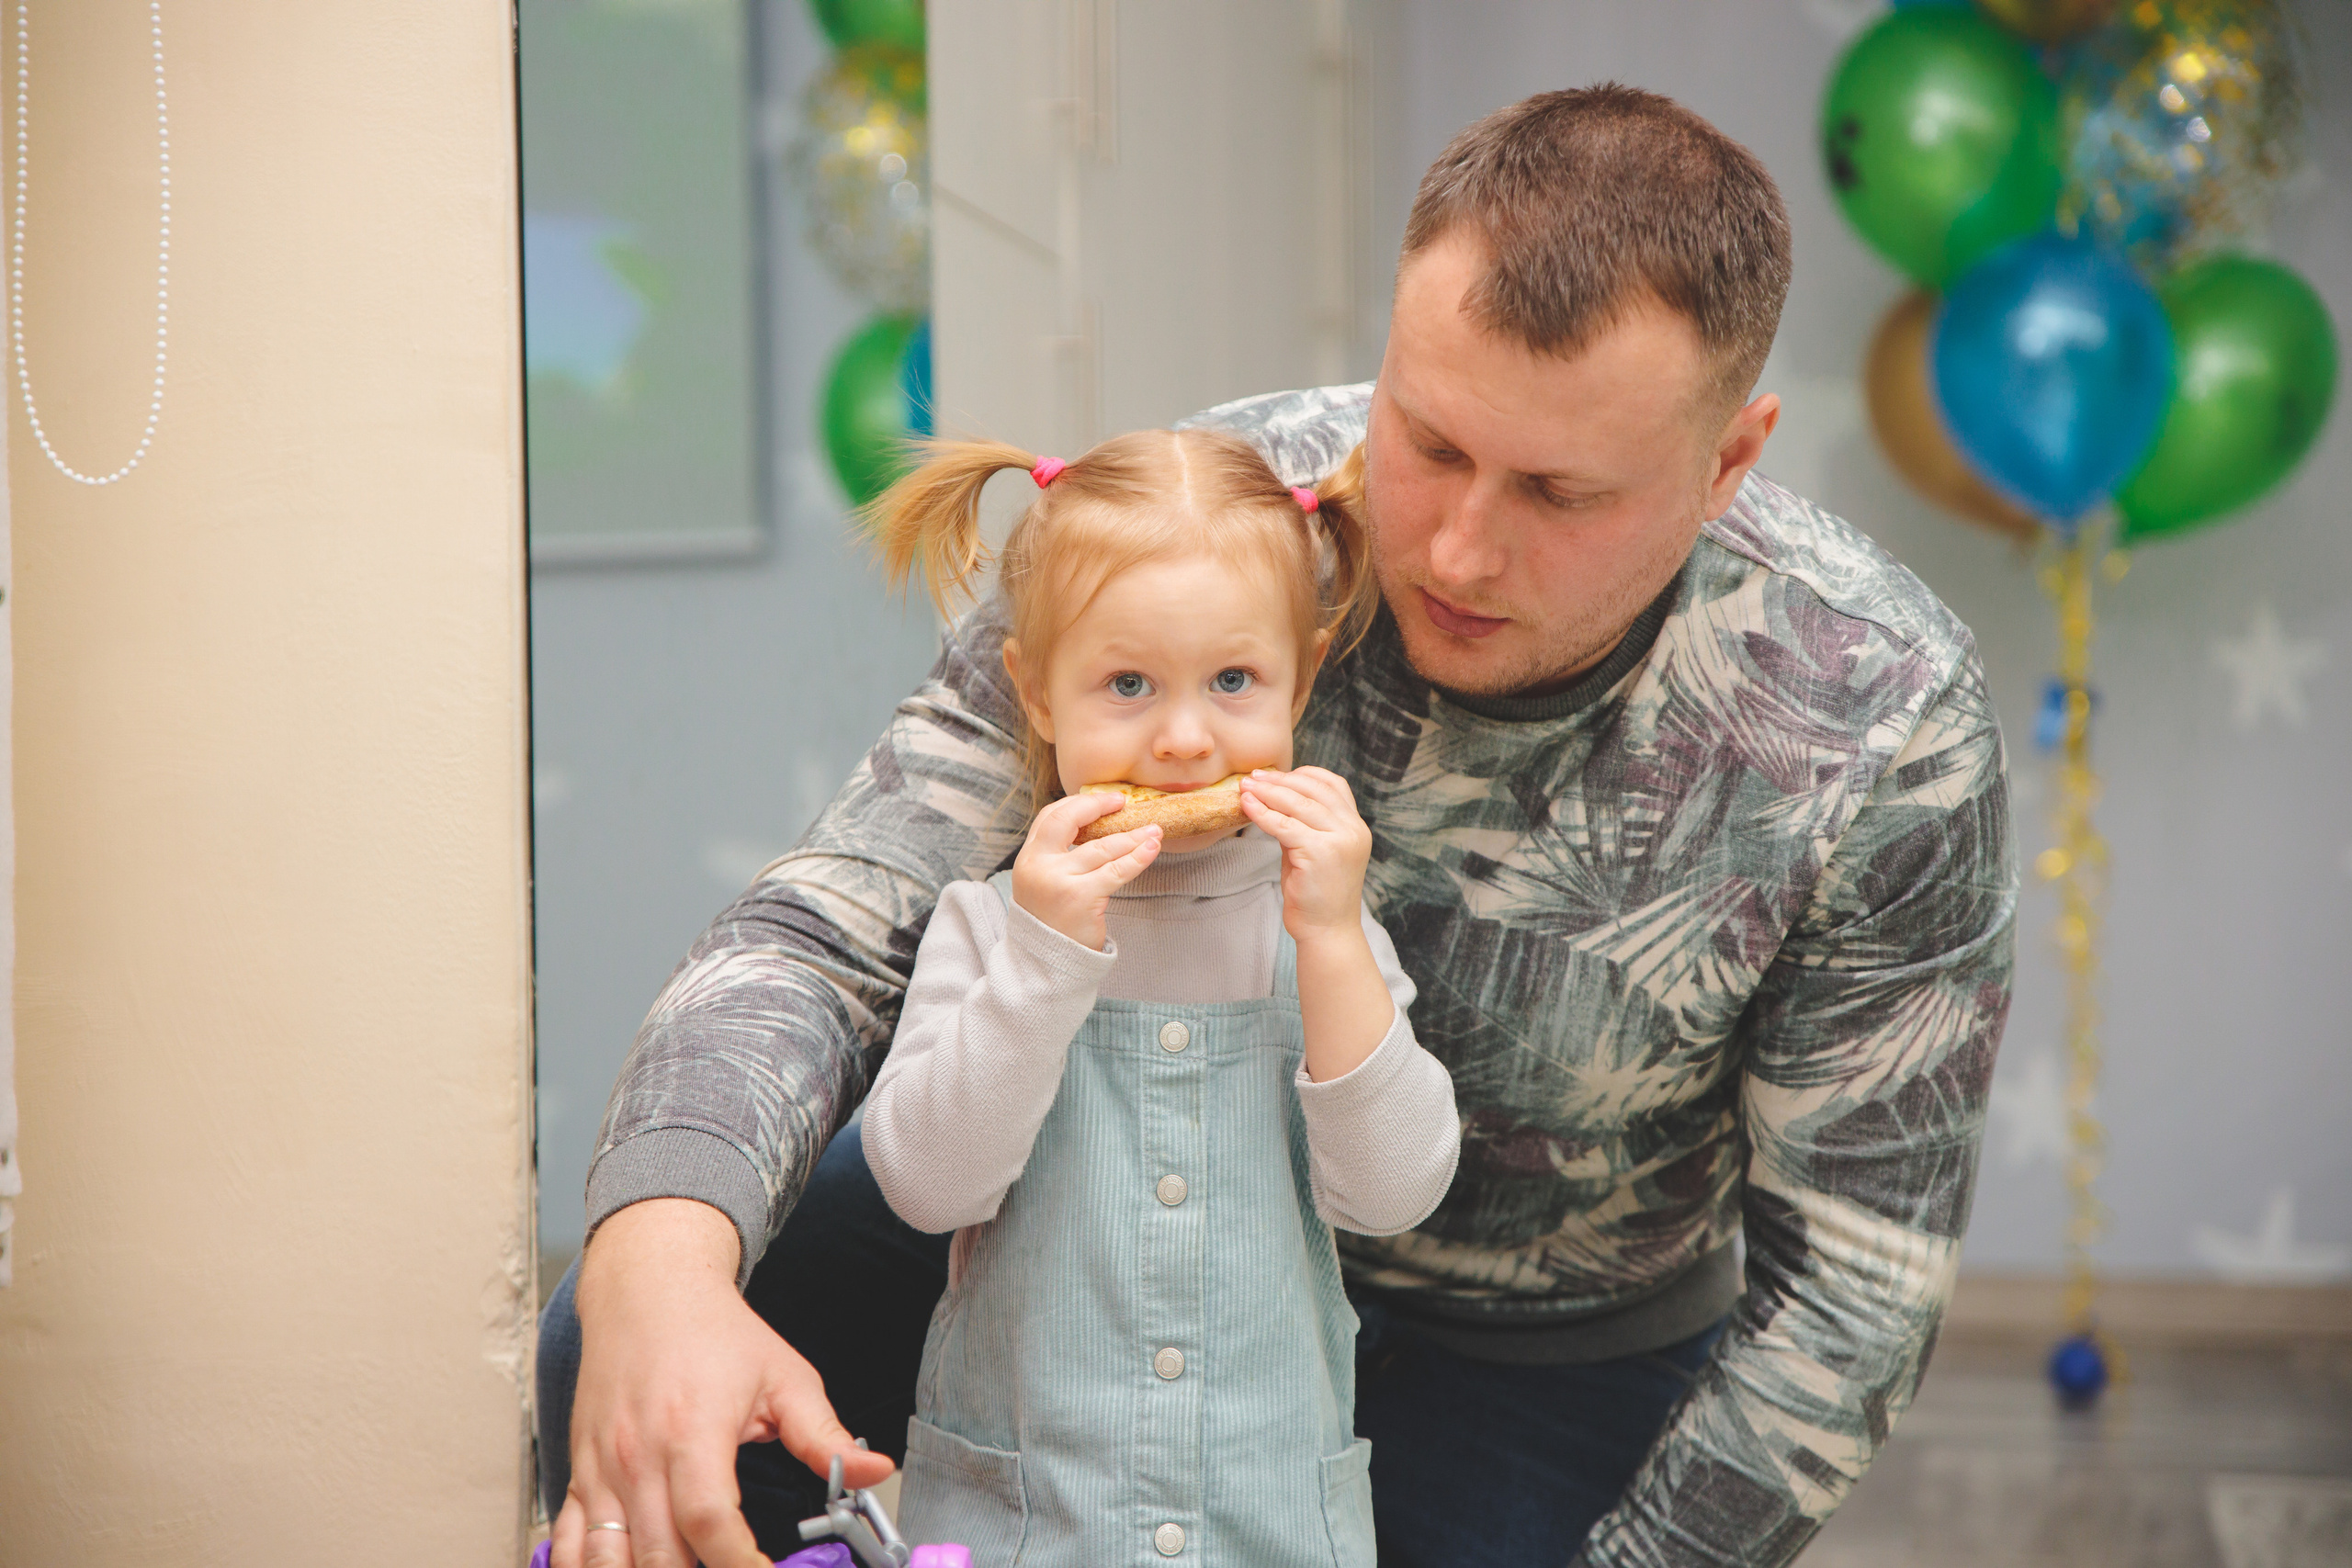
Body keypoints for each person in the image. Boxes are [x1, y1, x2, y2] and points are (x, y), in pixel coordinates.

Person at [541, 83, 2016, 1568]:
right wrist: (657, 1259)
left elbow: (1852, 1296)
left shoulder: (1882, 713)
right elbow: (830, 922)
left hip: (1541, 1349)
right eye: (1428, 439)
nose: (1456, 549)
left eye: (1560, 492)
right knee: (623, 1342)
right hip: (1068, 1222)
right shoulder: (1210, 530)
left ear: (1729, 460)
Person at [854, 429, 1458, 1566]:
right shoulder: (990, 925)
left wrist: (1332, 939)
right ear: (1036, 692)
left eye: (1233, 682)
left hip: (1264, 1531)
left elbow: (1393, 1194)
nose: (1184, 741)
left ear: (1302, 677)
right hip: (1032, 1530)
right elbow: (927, 1187)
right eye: (1127, 685)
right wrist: (1042, 961)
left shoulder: (1320, 928)